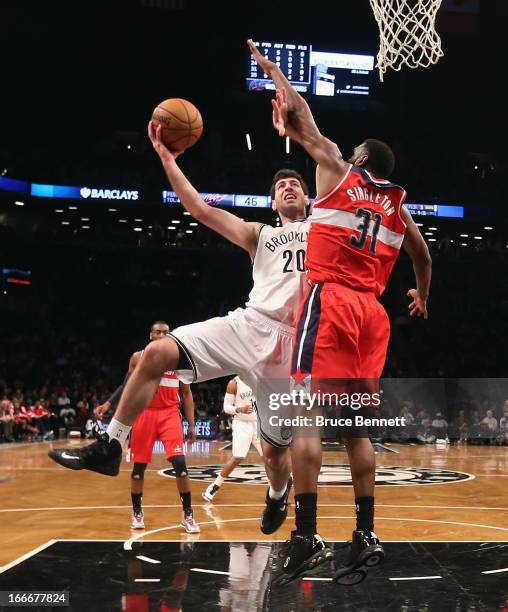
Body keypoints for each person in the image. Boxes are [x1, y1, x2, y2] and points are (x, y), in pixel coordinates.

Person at [48, 121, 311, 536]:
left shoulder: (324, 230)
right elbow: (201, 210)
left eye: (296, 182)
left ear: (309, 197)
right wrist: (168, 160)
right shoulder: (259, 235)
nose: (288, 187)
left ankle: (278, 493)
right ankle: (110, 444)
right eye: (281, 186)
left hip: (293, 347)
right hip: (250, 324)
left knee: (276, 454)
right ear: (273, 202)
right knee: (154, 355)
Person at [248, 39, 432, 586]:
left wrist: (277, 77)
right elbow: (422, 256)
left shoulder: (338, 172)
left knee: (304, 411)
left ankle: (305, 533)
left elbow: (305, 119)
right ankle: (365, 533)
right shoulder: (399, 207)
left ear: (357, 159)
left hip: (329, 300)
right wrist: (422, 295)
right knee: (356, 429)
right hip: (372, 316)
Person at [92, 321, 199, 533]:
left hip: (170, 414)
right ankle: (137, 512)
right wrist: (108, 404)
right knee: (139, 468)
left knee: (180, 465)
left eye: (166, 332)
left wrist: (192, 424)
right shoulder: (138, 357)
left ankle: (188, 514)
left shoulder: (179, 359)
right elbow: (127, 385)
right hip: (144, 414)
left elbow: (186, 394)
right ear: (150, 335)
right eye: (158, 332)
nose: (161, 335)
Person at [202, 376, 263, 502]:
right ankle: (215, 485)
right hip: (241, 423)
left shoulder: (259, 378)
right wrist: (239, 409)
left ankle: (279, 493)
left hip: (258, 422)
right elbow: (226, 407)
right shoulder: (234, 383)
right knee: (237, 458)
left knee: (270, 458)